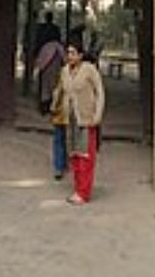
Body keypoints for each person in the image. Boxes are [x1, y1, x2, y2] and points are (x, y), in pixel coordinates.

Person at [58, 42, 104, 204]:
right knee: (74, 154)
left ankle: (84, 193)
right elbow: (62, 93)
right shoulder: (64, 71)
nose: (70, 56)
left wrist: (97, 115)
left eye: (73, 53)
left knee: (86, 155)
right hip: (70, 119)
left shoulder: (89, 69)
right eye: (68, 53)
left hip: (86, 118)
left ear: (80, 55)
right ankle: (78, 188)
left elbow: (100, 91)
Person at [49, 54, 69, 180]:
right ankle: (62, 165)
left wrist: (53, 107)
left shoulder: (64, 72)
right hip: (70, 113)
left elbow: (57, 92)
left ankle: (59, 167)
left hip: (62, 112)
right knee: (64, 139)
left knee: (59, 139)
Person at [35, 40, 65, 115]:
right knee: (54, 89)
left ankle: (44, 108)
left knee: (45, 89)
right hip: (56, 70)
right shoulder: (58, 47)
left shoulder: (45, 46)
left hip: (45, 70)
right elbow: (64, 59)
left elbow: (40, 59)